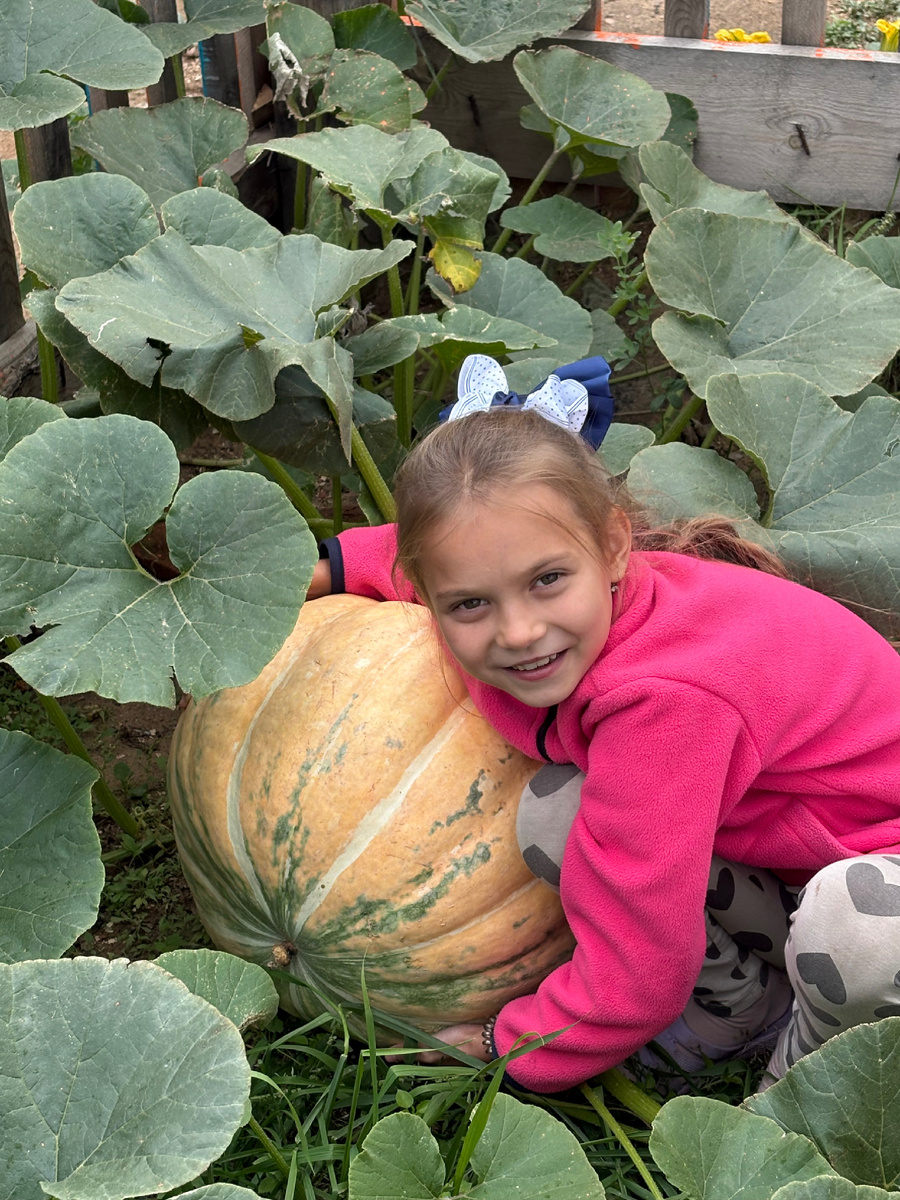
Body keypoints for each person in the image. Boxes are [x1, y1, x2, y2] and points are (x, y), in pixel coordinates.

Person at [305, 354, 900, 1096]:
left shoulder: (665, 703)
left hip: (879, 894)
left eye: (546, 581)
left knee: (858, 927)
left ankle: (804, 1085)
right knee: (560, 810)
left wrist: (508, 1045)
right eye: (471, 604)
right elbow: (450, 552)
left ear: (615, 546)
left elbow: (639, 963)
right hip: (802, 864)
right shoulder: (543, 578)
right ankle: (740, 1008)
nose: (519, 631)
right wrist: (323, 569)